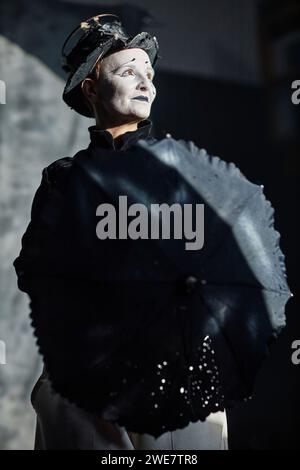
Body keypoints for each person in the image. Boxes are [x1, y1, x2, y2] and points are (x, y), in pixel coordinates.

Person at [14, 13, 228, 450]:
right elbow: (33, 270)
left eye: (148, 74)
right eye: (128, 71)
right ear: (90, 88)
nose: (145, 81)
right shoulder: (64, 179)